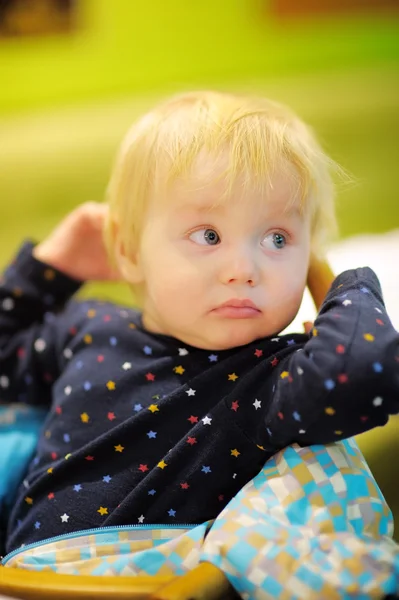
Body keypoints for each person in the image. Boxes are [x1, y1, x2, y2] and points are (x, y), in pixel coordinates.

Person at [1, 91, 398, 554]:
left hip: (151, 584)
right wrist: (49, 268)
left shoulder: (272, 374)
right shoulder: (87, 327)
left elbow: (368, 374)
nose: (243, 268)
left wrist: (332, 281)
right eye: (209, 235)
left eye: (278, 238)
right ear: (127, 251)